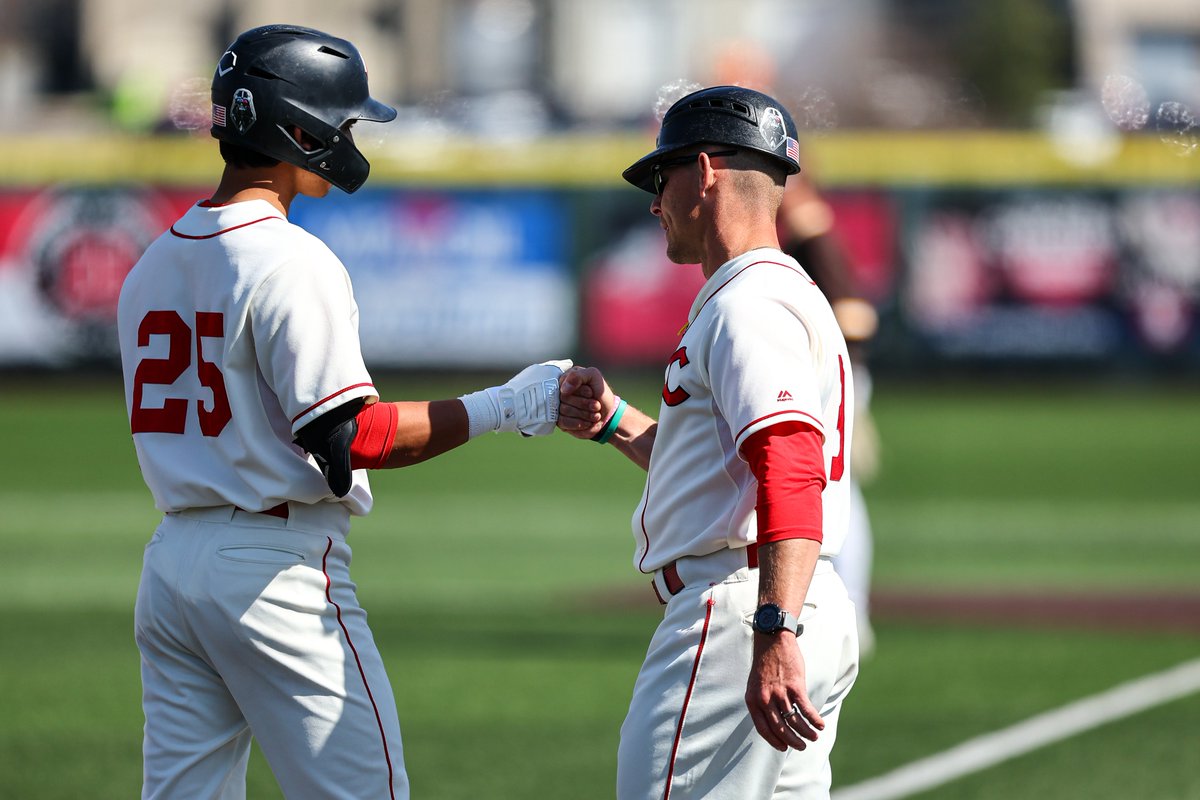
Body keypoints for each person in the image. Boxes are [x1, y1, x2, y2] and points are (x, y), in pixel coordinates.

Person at [117, 24, 567, 800]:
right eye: (342, 119)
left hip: (172, 567)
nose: (351, 135)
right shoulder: (291, 259)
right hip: (272, 571)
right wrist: (509, 405)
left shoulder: (153, 262)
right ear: (301, 128)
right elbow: (350, 435)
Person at [558, 85, 860, 799]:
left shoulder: (747, 304)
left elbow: (790, 462)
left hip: (743, 609)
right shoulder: (777, 293)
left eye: (662, 180)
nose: (655, 202)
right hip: (792, 597)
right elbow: (724, 469)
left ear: (705, 171)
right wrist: (613, 421)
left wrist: (772, 629)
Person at [778, 168, 882, 655]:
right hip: (832, 378)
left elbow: (858, 315)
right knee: (835, 492)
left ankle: (854, 609)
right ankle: (846, 608)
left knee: (840, 493)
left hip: (833, 381)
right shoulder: (804, 235)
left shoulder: (815, 235)